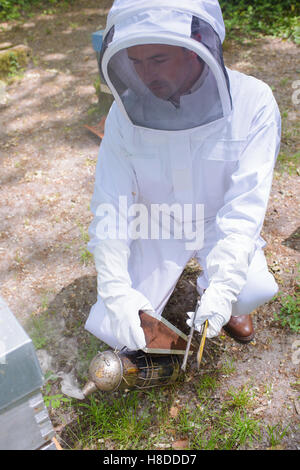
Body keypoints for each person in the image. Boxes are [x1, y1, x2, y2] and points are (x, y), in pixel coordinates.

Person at [85, 0, 281, 351]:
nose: (145, 75)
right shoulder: (123, 114)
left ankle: (225, 298)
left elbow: (244, 208)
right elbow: (110, 205)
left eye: (158, 59)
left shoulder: (254, 102)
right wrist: (115, 290)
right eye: (135, 62)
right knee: (117, 330)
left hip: (217, 223)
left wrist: (224, 287)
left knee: (251, 288)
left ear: (195, 49)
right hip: (155, 223)